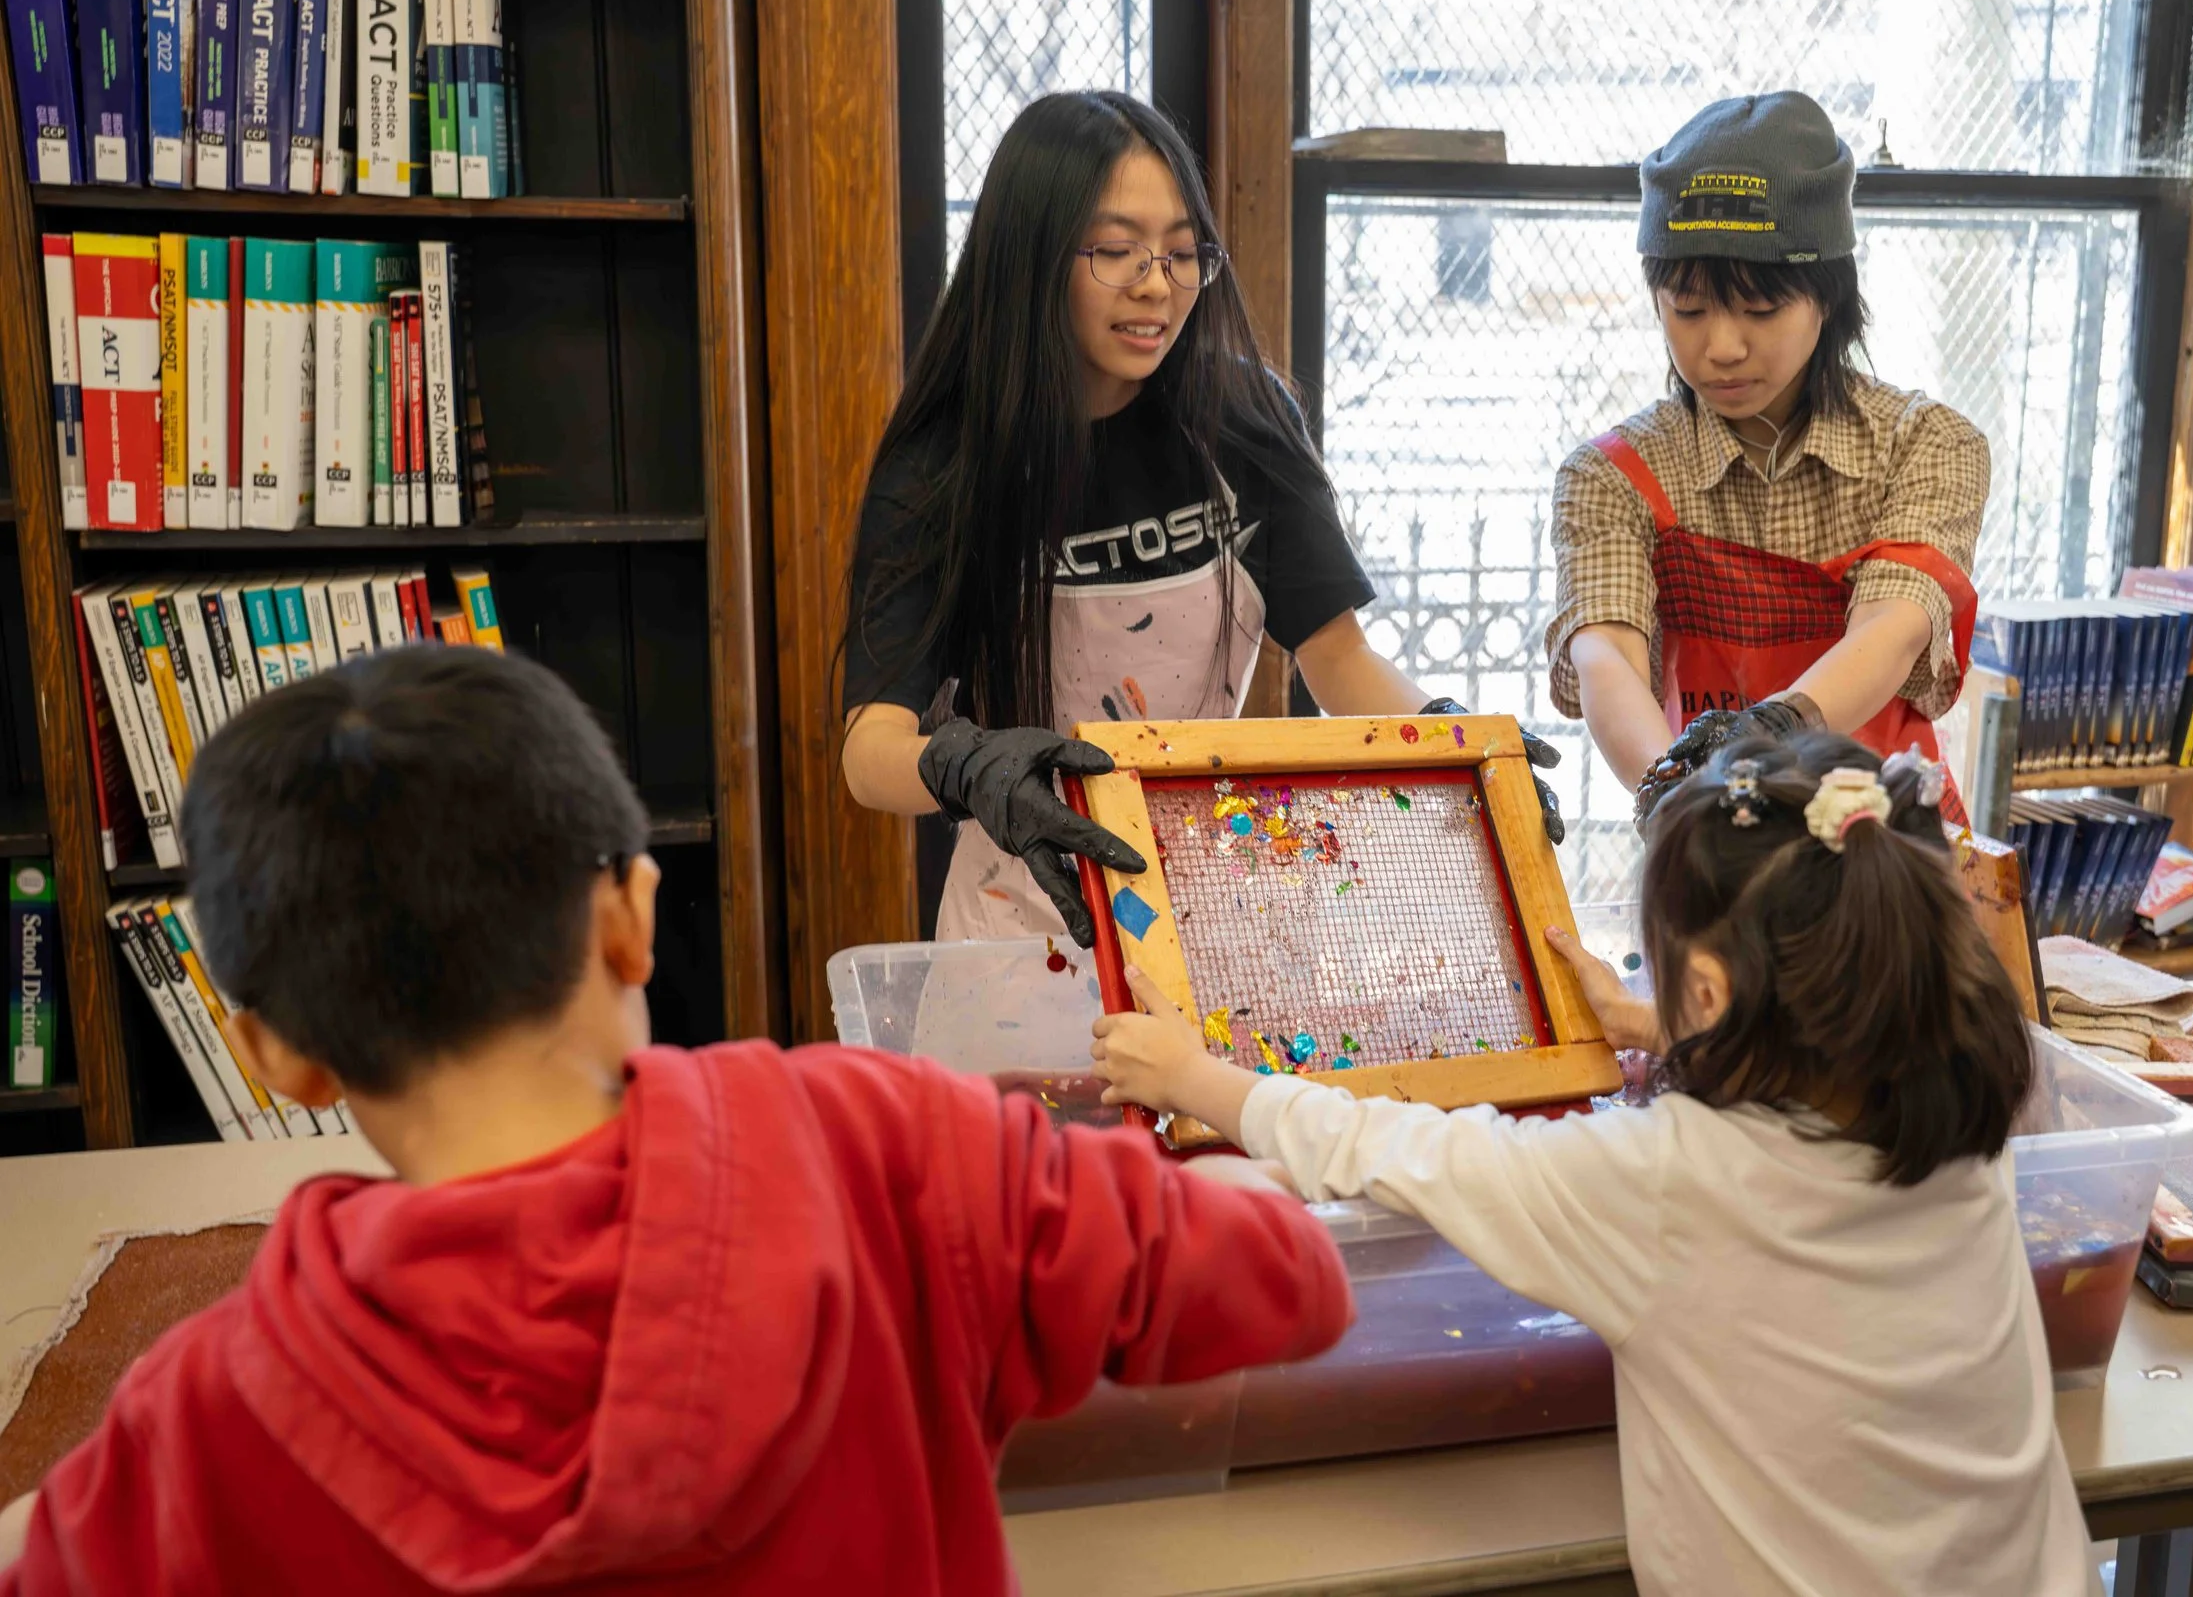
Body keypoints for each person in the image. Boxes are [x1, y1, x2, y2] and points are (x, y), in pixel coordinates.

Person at [0, 646, 1351, 1596]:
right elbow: (1280, 1287)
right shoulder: (894, 1148)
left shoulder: (195, 1428)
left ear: (273, 1054)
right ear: (631, 916)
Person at [1092, 735, 2095, 1596]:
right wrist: (1666, 1025)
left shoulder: (1665, 1181)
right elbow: (1827, 1051)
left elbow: (1397, 1149)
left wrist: (1197, 1075)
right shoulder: (1962, 1117)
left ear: (1706, 990)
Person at [842, 89, 1558, 948]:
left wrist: (1458, 744)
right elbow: (869, 747)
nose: (1157, 285)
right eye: (1115, 250)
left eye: (1183, 255)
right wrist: (964, 764)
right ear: (1028, 254)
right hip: (1018, 925)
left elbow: (1339, 660)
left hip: (1225, 906)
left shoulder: (1245, 419)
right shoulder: (947, 460)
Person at [1545, 91, 1986, 824]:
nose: (1720, 346)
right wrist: (1677, 804)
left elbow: (1892, 624)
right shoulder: (1611, 475)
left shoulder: (1927, 444)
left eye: (1760, 310)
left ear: (1829, 295)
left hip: (1886, 853)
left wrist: (1774, 730)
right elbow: (1606, 654)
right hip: (1711, 841)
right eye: (1687, 309)